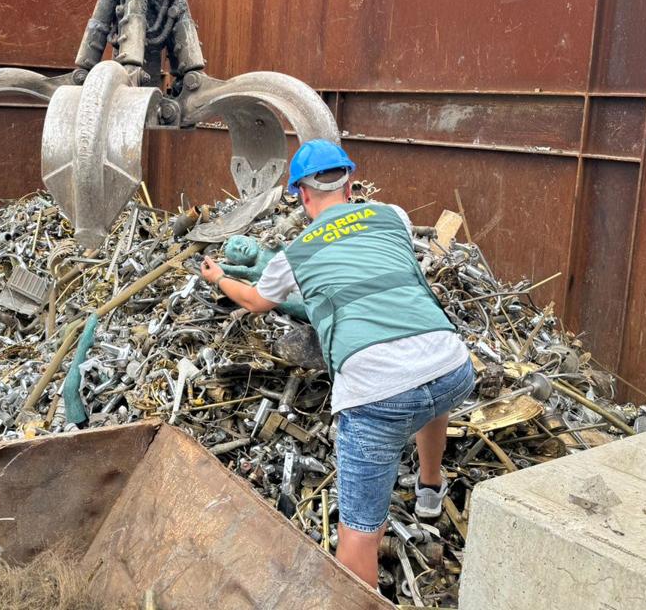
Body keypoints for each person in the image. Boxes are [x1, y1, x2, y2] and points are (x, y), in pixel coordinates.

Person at [199, 139, 474, 589]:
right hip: (453, 367)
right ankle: (430, 487)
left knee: (359, 536)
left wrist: (220, 277)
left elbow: (255, 302)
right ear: (350, 184)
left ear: (302, 196)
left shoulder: (296, 253)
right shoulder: (394, 217)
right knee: (425, 380)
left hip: (377, 399)